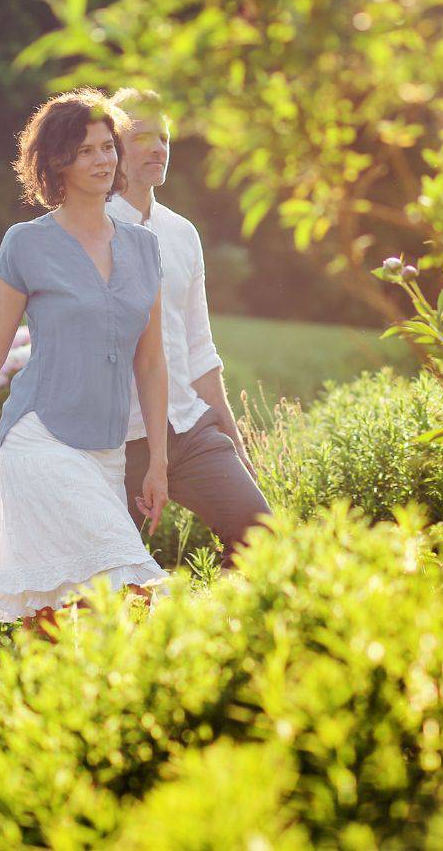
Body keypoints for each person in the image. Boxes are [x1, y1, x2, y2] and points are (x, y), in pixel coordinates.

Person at [0, 88, 171, 639]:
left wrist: (157, 462)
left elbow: (153, 361)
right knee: (123, 587)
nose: (102, 159)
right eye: (85, 150)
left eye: (107, 146)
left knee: (67, 617)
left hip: (107, 451)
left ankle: (53, 716)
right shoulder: (26, 244)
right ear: (56, 163)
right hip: (41, 437)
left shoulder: (144, 248)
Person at [106, 87, 271, 566]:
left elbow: (199, 346)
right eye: (141, 136)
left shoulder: (182, 233)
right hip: (120, 439)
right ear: (113, 147)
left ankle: (220, 636)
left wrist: (233, 437)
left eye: (164, 136)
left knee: (262, 540)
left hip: (189, 426)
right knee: (102, 582)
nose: (158, 148)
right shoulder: (91, 231)